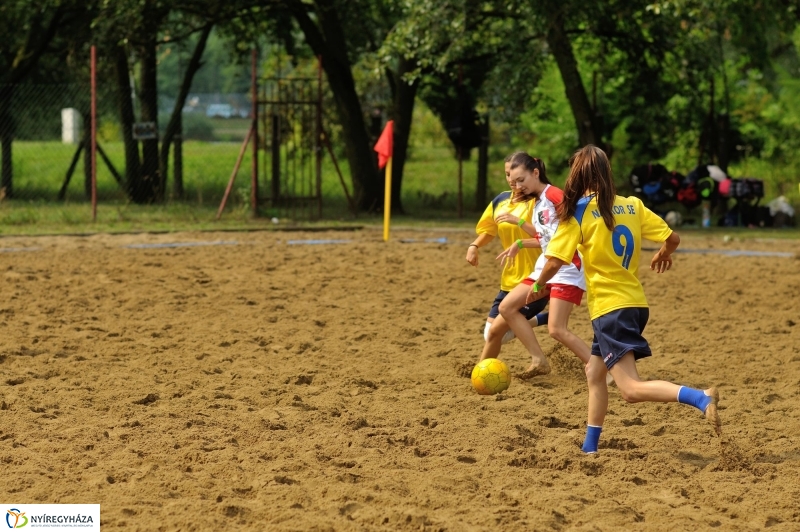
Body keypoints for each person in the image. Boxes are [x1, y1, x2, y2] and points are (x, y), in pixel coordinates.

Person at [528, 145, 721, 454]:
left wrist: (538, 284)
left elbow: (554, 260)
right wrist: (662, 253)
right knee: (594, 372)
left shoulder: (577, 211)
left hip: (610, 308)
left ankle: (700, 398)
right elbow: (673, 238)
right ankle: (589, 447)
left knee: (630, 389)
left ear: (577, 175)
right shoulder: (631, 205)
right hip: (633, 303)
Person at [496, 153, 591, 379]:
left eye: (521, 180)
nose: (517, 185)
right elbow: (546, 237)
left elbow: (581, 219)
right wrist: (520, 241)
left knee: (557, 330)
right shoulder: (537, 202)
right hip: (546, 265)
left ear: (535, 173)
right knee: (506, 308)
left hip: (566, 267)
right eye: (513, 181)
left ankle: (600, 368)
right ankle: (538, 360)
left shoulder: (554, 195)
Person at [466, 153, 549, 376]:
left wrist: (519, 225)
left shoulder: (539, 201)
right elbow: (488, 230)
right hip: (509, 279)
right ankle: (481, 374)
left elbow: (548, 238)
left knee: (500, 329)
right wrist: (475, 245)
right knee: (491, 334)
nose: (511, 179)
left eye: (515, 174)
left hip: (536, 279)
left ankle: (538, 358)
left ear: (531, 173)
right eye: (506, 174)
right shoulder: (501, 200)